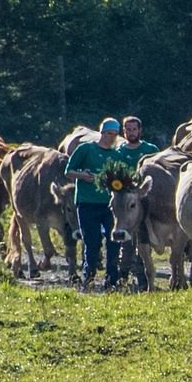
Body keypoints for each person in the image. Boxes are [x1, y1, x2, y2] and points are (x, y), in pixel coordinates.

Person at [64, 117, 124, 290]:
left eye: (114, 134)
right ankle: (88, 278)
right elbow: (69, 171)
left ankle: (112, 281)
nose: (111, 137)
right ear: (101, 133)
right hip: (87, 202)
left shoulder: (116, 155)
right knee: (91, 243)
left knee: (113, 243)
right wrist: (82, 175)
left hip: (110, 205)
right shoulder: (86, 149)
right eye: (108, 133)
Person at [112, 117, 161, 289]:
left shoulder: (150, 150)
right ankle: (123, 277)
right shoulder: (118, 151)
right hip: (124, 201)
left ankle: (143, 280)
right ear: (123, 132)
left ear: (140, 130)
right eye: (127, 129)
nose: (131, 132)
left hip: (144, 199)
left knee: (143, 240)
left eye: (134, 129)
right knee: (126, 244)